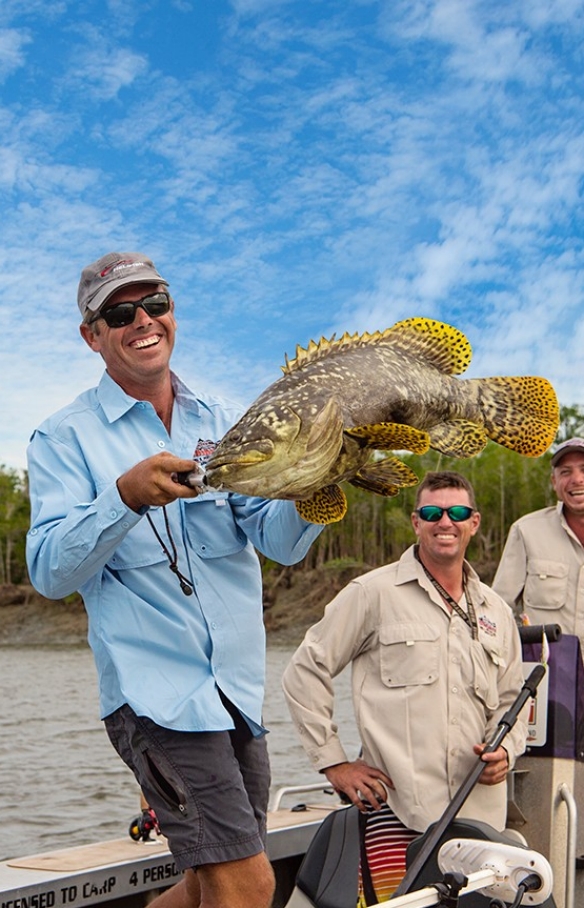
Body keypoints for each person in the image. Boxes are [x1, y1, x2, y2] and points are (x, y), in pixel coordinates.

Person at [26, 251, 323, 908]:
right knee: (248, 884)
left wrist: (319, 484)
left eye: (154, 303)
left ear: (172, 311)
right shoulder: (63, 437)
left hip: (237, 695)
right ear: (93, 335)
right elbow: (48, 570)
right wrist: (123, 497)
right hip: (155, 700)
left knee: (205, 882)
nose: (143, 321)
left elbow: (275, 539)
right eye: (120, 312)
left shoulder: (222, 421)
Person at [282, 470, 527, 903]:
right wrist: (335, 763)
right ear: (416, 522)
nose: (444, 522)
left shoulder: (497, 611)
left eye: (457, 512)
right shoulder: (372, 593)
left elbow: (514, 698)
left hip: (482, 820)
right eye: (432, 512)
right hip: (398, 814)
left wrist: (507, 751)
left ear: (475, 522)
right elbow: (305, 669)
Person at [493, 437, 584, 650]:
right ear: (554, 482)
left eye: (583, 469)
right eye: (565, 472)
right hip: (548, 676)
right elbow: (496, 610)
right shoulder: (525, 531)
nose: (577, 479)